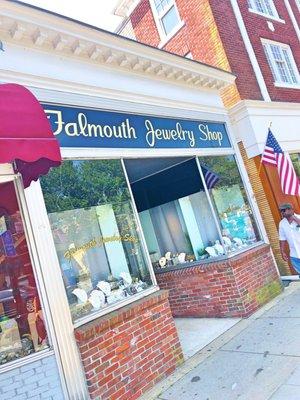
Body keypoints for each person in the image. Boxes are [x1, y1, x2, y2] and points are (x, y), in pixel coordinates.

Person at [278, 203, 300, 274]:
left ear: (291, 210)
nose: (282, 212)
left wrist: (294, 218)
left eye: (284, 210)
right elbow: (282, 238)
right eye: (281, 211)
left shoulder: (299, 218)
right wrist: (282, 251)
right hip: (294, 255)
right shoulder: (282, 223)